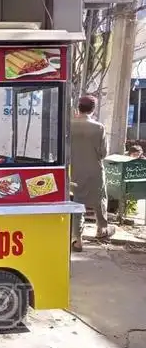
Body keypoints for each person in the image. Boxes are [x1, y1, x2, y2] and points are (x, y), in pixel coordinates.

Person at [70, 95, 113, 250]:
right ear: (93, 109)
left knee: (77, 203)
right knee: (100, 198)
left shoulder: (69, 126)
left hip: (74, 171)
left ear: (78, 107)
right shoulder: (98, 127)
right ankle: (102, 229)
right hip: (95, 170)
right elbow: (103, 153)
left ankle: (77, 239)